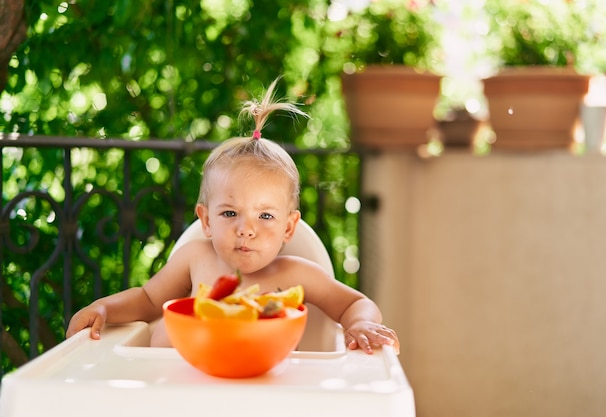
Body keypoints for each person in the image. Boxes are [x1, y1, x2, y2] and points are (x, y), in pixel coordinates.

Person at [66, 79, 400, 355]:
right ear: (206, 220)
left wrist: (361, 324)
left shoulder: (296, 274)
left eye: (265, 215)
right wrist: (105, 309)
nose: (246, 230)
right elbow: (147, 299)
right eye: (229, 213)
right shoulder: (194, 259)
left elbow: (354, 303)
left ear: (288, 227)